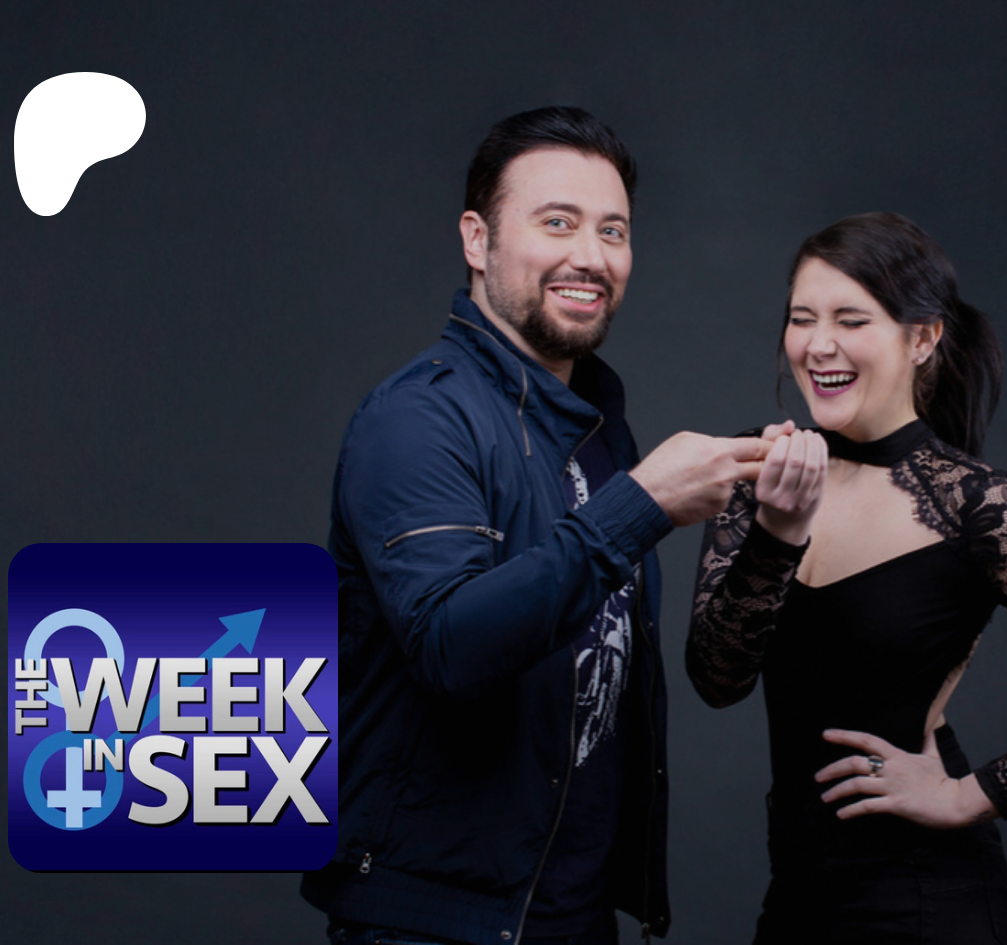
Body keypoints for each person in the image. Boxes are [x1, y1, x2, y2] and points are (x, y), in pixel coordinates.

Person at [302, 106, 771, 945]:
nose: (591, 255)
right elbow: (450, 644)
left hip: (569, 918)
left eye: (613, 231)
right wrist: (643, 505)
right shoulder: (419, 418)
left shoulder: (596, 430)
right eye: (557, 222)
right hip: (434, 925)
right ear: (477, 240)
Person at [686, 212, 1007, 944]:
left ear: (922, 339)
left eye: (852, 320)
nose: (818, 344)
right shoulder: (764, 470)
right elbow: (718, 678)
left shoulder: (976, 504)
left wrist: (965, 796)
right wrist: (777, 533)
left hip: (922, 896)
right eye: (802, 318)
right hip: (796, 893)